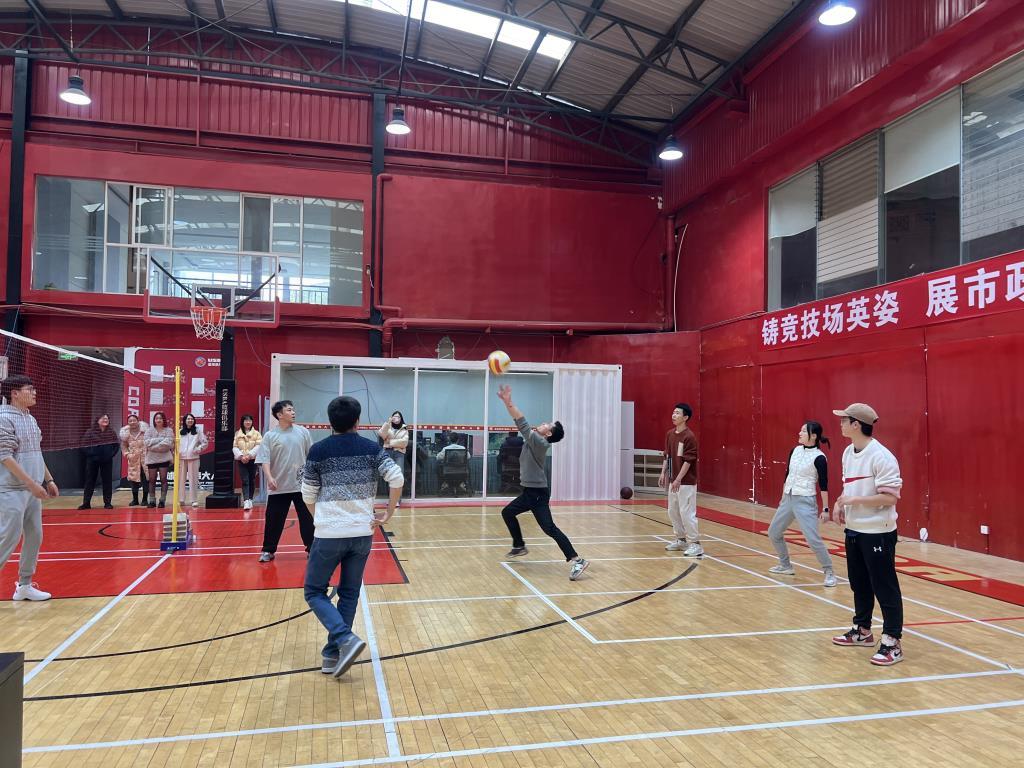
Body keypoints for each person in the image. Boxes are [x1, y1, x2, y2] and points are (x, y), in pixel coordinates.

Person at [302, 395, 403, 678]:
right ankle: (331, 655)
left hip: (329, 534)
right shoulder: (372, 449)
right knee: (349, 593)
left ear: (330, 422)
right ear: (357, 421)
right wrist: (388, 512)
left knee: (314, 591)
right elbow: (397, 478)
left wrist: (320, 519)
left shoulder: (318, 450)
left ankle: (344, 639)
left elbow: (308, 494)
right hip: (362, 533)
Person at [829, 403, 905, 666]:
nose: (840, 423)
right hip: (854, 529)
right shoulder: (848, 453)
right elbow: (849, 488)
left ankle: (892, 642)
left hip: (878, 532)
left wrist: (853, 500)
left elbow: (889, 498)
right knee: (859, 582)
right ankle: (862, 630)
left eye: (844, 420)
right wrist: (840, 503)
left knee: (884, 586)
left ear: (856, 424)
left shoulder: (882, 456)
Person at [496, 384, 588, 581]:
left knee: (549, 528)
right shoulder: (534, 440)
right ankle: (519, 545)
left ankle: (577, 560)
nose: (544, 423)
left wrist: (508, 402)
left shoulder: (540, 442)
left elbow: (521, 422)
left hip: (537, 494)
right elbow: (522, 424)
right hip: (531, 492)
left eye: (548, 424)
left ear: (548, 434)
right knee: (509, 513)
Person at [0, 375, 59, 601]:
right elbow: (5, 456)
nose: (34, 393)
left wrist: (49, 480)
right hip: (11, 489)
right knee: (8, 537)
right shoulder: (4, 418)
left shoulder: (30, 418)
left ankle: (24, 585)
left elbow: (36, 451)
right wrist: (31, 484)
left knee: (35, 535)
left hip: (31, 490)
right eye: (30, 389)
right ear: (14, 393)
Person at [767, 421, 836, 587]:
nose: (800, 433)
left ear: (814, 436)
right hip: (788, 498)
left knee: (812, 539)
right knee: (774, 532)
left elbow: (824, 485)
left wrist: (826, 509)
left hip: (805, 501)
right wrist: (783, 497)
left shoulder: (820, 457)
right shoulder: (795, 451)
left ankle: (829, 572)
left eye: (804, 431)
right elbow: (788, 474)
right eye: (801, 430)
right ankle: (785, 566)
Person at [256, 400, 314, 562]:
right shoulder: (270, 436)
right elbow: (264, 459)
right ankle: (268, 550)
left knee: (308, 519)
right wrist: (269, 477)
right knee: (273, 519)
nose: (293, 412)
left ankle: (312, 549)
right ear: (279, 415)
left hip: (301, 484)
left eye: (293, 410)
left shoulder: (303, 432)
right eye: (289, 410)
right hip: (279, 486)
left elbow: (311, 456)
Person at [660, 403, 703, 557]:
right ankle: (681, 540)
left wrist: (678, 479)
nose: (674, 415)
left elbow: (688, 460)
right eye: (673, 412)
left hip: (686, 482)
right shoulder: (670, 434)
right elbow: (667, 455)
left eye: (677, 413)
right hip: (674, 481)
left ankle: (696, 544)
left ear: (685, 417)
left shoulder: (689, 437)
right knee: (673, 511)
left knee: (687, 513)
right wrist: (663, 472)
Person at [79, 414, 120, 510]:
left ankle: (107, 503)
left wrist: (110, 455)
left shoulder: (111, 432)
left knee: (107, 481)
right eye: (103, 418)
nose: (105, 420)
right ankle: (86, 503)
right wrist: (91, 454)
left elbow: (116, 446)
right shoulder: (90, 432)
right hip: (92, 461)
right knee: (89, 481)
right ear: (97, 420)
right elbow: (83, 445)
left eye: (107, 418)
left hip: (107, 461)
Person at [177, 414, 208, 508]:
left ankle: (194, 500)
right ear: (185, 420)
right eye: (188, 419)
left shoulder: (198, 431)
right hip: (181, 458)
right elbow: (176, 444)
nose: (190, 420)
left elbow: (205, 443)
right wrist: (177, 453)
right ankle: (181, 499)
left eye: (191, 419)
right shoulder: (180, 431)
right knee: (181, 479)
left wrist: (197, 449)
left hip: (194, 457)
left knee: (193, 479)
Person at [144, 411, 174, 508]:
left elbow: (168, 444)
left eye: (160, 418)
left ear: (163, 419)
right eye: (156, 418)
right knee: (152, 480)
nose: (158, 420)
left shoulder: (169, 430)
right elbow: (146, 443)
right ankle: (152, 500)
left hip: (164, 458)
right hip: (151, 459)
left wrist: (153, 446)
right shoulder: (149, 430)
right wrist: (160, 440)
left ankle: (162, 500)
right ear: (154, 420)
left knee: (163, 479)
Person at [378, 411, 409, 502]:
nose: (396, 418)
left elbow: (404, 443)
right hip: (388, 453)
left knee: (399, 476)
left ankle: (397, 500)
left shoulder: (404, 429)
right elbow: (382, 434)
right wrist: (388, 423)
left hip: (399, 453)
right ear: (391, 417)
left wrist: (390, 442)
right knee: (389, 475)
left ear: (401, 418)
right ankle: (391, 500)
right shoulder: (388, 427)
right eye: (394, 416)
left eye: (398, 417)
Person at [233, 414, 262, 511]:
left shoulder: (257, 433)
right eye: (246, 420)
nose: (248, 422)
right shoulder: (238, 434)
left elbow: (259, 446)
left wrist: (249, 455)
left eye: (249, 420)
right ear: (242, 422)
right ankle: (245, 500)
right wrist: (241, 456)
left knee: (251, 479)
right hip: (241, 460)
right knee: (245, 480)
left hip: (253, 460)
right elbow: (235, 447)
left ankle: (250, 499)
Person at [119, 414, 149, 507]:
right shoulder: (125, 434)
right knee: (133, 480)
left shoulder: (145, 431)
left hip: (145, 459)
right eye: (130, 421)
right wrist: (128, 455)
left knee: (146, 479)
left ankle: (145, 499)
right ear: (128, 423)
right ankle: (135, 500)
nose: (132, 422)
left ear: (138, 421)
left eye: (134, 420)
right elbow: (123, 446)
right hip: (133, 460)